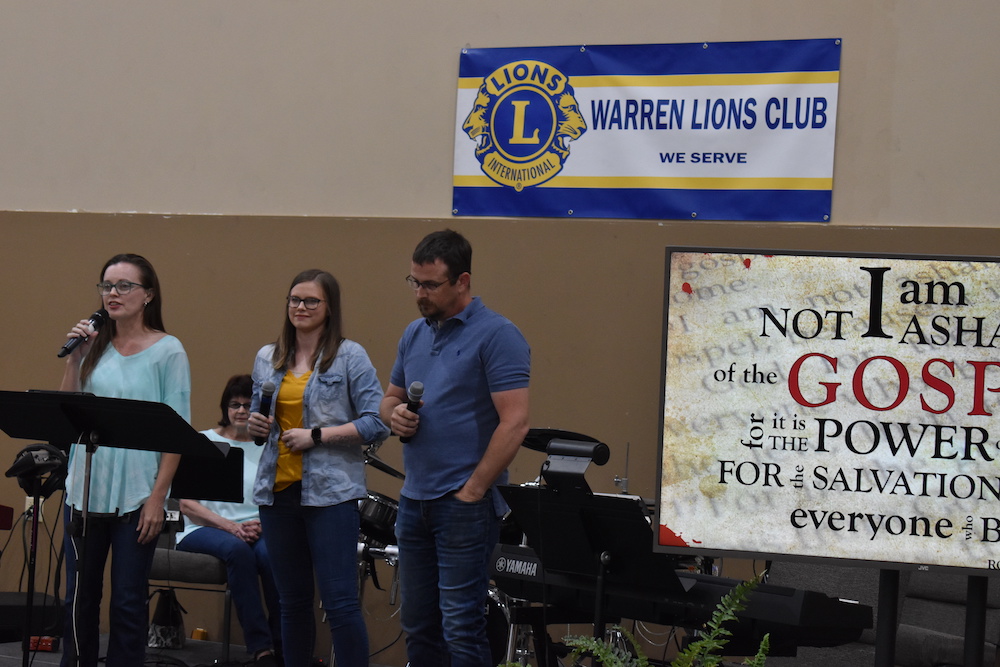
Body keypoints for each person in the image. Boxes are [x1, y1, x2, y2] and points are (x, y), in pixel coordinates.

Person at [380, 229, 531, 667]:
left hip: (464, 505)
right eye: (414, 282)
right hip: (414, 499)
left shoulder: (498, 335)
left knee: (461, 627)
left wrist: (474, 490)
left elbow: (516, 421)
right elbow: (388, 399)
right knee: (418, 624)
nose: (419, 294)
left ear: (462, 281)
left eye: (430, 285)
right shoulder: (414, 334)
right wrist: (395, 416)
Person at [247, 269, 389, 667]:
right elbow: (261, 424)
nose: (301, 307)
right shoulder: (267, 357)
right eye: (294, 300)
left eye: (311, 301)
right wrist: (256, 426)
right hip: (276, 493)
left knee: (340, 603)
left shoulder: (349, 356)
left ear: (329, 308)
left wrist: (318, 435)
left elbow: (377, 422)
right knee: (290, 602)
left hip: (331, 496)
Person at [58, 253, 190, 667]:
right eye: (106, 286)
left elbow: (177, 432)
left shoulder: (168, 350)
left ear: (148, 294)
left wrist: (158, 498)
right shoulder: (93, 345)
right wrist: (76, 359)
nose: (112, 294)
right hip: (84, 488)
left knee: (129, 601)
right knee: (79, 598)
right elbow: (66, 411)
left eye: (123, 286)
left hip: (135, 495)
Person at [175, 374, 281, 666]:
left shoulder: (268, 447)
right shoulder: (204, 441)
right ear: (225, 407)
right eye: (235, 405)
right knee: (237, 551)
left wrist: (260, 523)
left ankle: (283, 644)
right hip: (203, 528)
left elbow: (276, 497)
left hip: (257, 529)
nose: (241, 411)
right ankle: (262, 649)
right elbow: (186, 503)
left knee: (273, 556)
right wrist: (230, 527)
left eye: (248, 405)